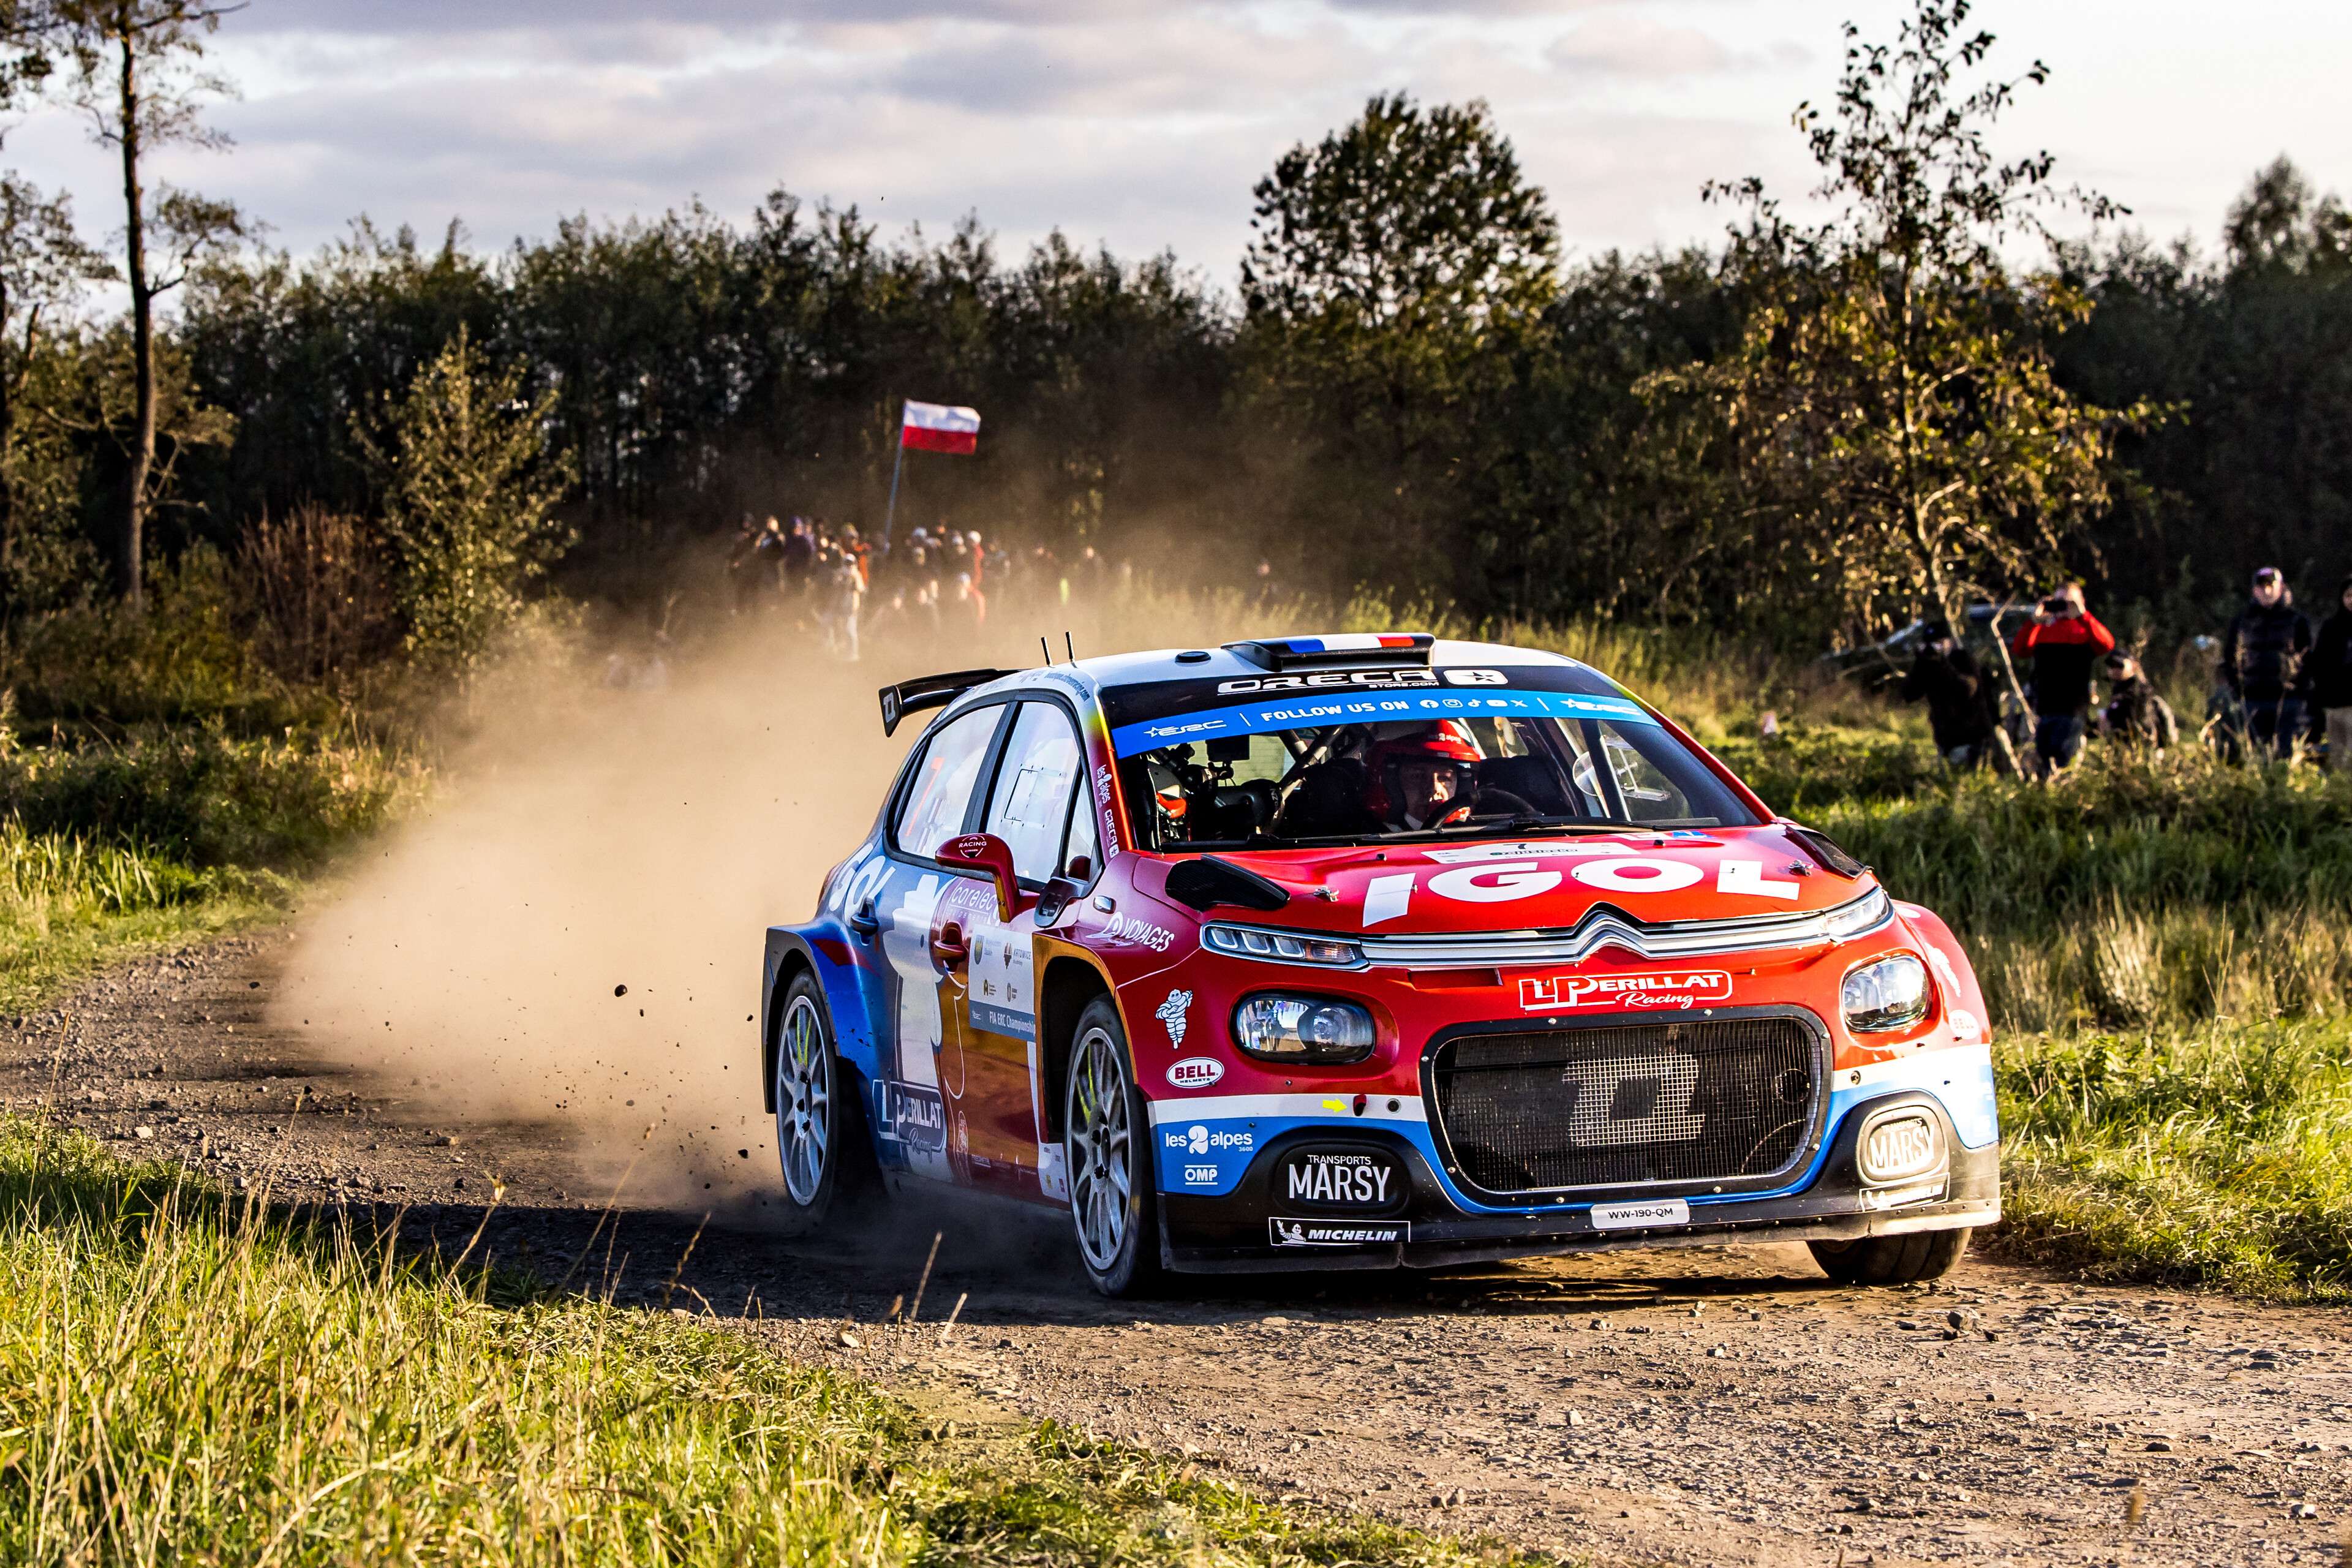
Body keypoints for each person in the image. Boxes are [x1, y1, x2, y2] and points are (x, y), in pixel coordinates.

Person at [2008, 584, 2115, 772]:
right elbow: (2020, 649)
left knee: (2063, 759)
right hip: (2045, 708)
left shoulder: (2084, 630)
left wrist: (2083, 616)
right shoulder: (2044, 630)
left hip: (2073, 709)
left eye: (2069, 602)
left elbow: (2106, 644)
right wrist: (2034, 621)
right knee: (2043, 759)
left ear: (2081, 603)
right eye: (2059, 602)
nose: (2064, 607)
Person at [2222, 566, 2314, 759]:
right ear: (2254, 590)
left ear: (2281, 587)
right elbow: (2229, 657)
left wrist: (2301, 690)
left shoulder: (2297, 620)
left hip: (2287, 700)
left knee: (2285, 755)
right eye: (2261, 586)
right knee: (2257, 754)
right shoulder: (2242, 621)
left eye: (2271, 585)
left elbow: (2308, 658)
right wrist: (2237, 689)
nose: (2266, 591)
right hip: (2252, 698)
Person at [1898, 622, 1998, 769]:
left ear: (1950, 642)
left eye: (1939, 644)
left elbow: (1966, 689)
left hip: (1972, 738)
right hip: (1946, 740)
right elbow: (1909, 694)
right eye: (1930, 645)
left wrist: (1943, 664)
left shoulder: (1963, 660)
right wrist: (1920, 664)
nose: (1934, 649)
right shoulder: (1927, 666)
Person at [1363, 725, 1480, 829]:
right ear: (1390, 784)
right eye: (1418, 776)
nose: (1434, 789)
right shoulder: (1362, 838)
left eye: (1444, 778)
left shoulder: (1481, 834)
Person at [2312, 574, 2352, 772]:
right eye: (2349, 595)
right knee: (2337, 760)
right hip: (2334, 705)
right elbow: (2319, 664)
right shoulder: (2331, 627)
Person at [2098, 652, 2177, 751]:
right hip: (2125, 747)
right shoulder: (2118, 688)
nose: (2115, 669)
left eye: (2120, 666)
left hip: (2143, 747)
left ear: (2134, 665)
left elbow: (2129, 715)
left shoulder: (2140, 689)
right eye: (2111, 666)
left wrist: (2106, 714)